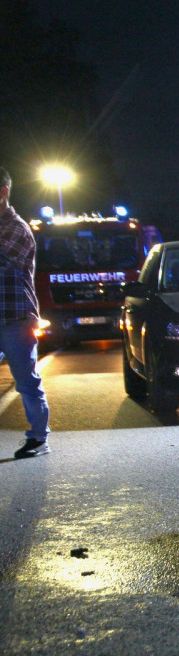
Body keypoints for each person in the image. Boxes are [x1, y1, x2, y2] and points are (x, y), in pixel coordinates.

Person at [0, 167, 51, 458]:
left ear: (3, 192)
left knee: (27, 382)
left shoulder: (16, 228)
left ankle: (38, 439)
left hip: (15, 318)